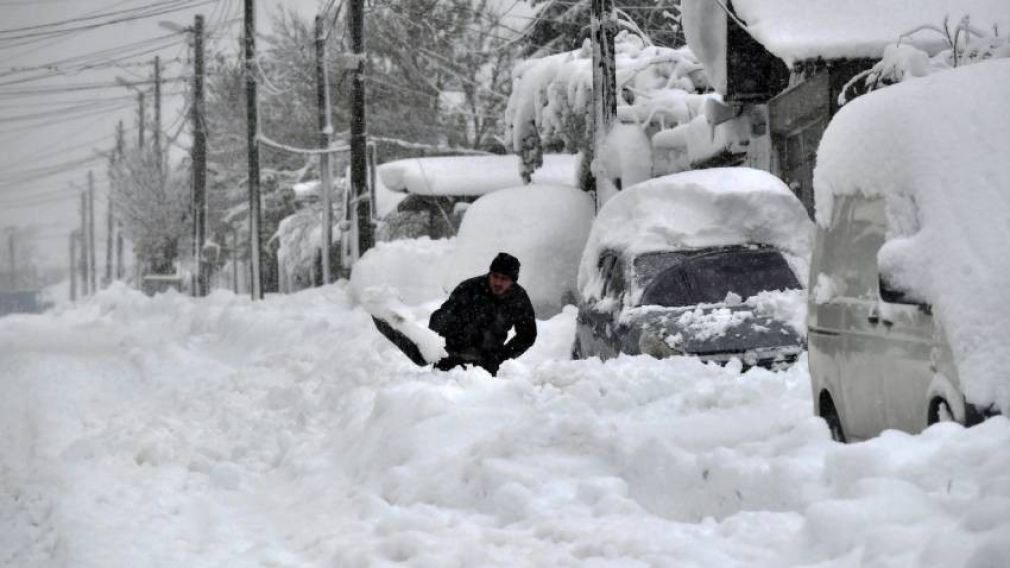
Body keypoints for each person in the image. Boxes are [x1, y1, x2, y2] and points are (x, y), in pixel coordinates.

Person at [428, 252, 537, 375]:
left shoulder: (519, 299)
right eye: (495, 276)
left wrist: (501, 356)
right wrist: (444, 322)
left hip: (487, 363)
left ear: (513, 281)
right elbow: (437, 321)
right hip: (452, 357)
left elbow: (527, 335)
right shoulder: (469, 288)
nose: (498, 283)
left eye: (504, 279)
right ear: (489, 274)